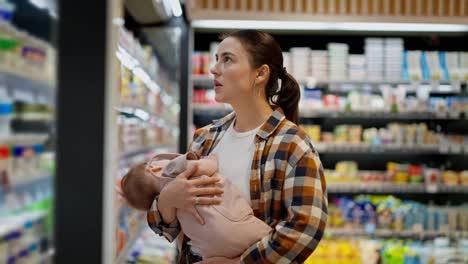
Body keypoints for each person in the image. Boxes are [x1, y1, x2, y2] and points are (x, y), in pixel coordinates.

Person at [147, 29, 327, 264]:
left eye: (227, 59)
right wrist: (167, 200)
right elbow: (167, 228)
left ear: (260, 74)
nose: (214, 69)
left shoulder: (292, 145)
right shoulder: (205, 139)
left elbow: (306, 227)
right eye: (216, 59)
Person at [120, 152, 272, 259]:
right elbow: (206, 166)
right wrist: (212, 159)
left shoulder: (173, 207)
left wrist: (165, 201)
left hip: (211, 250)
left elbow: (164, 227)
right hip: (235, 221)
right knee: (267, 237)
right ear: (154, 168)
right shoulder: (173, 169)